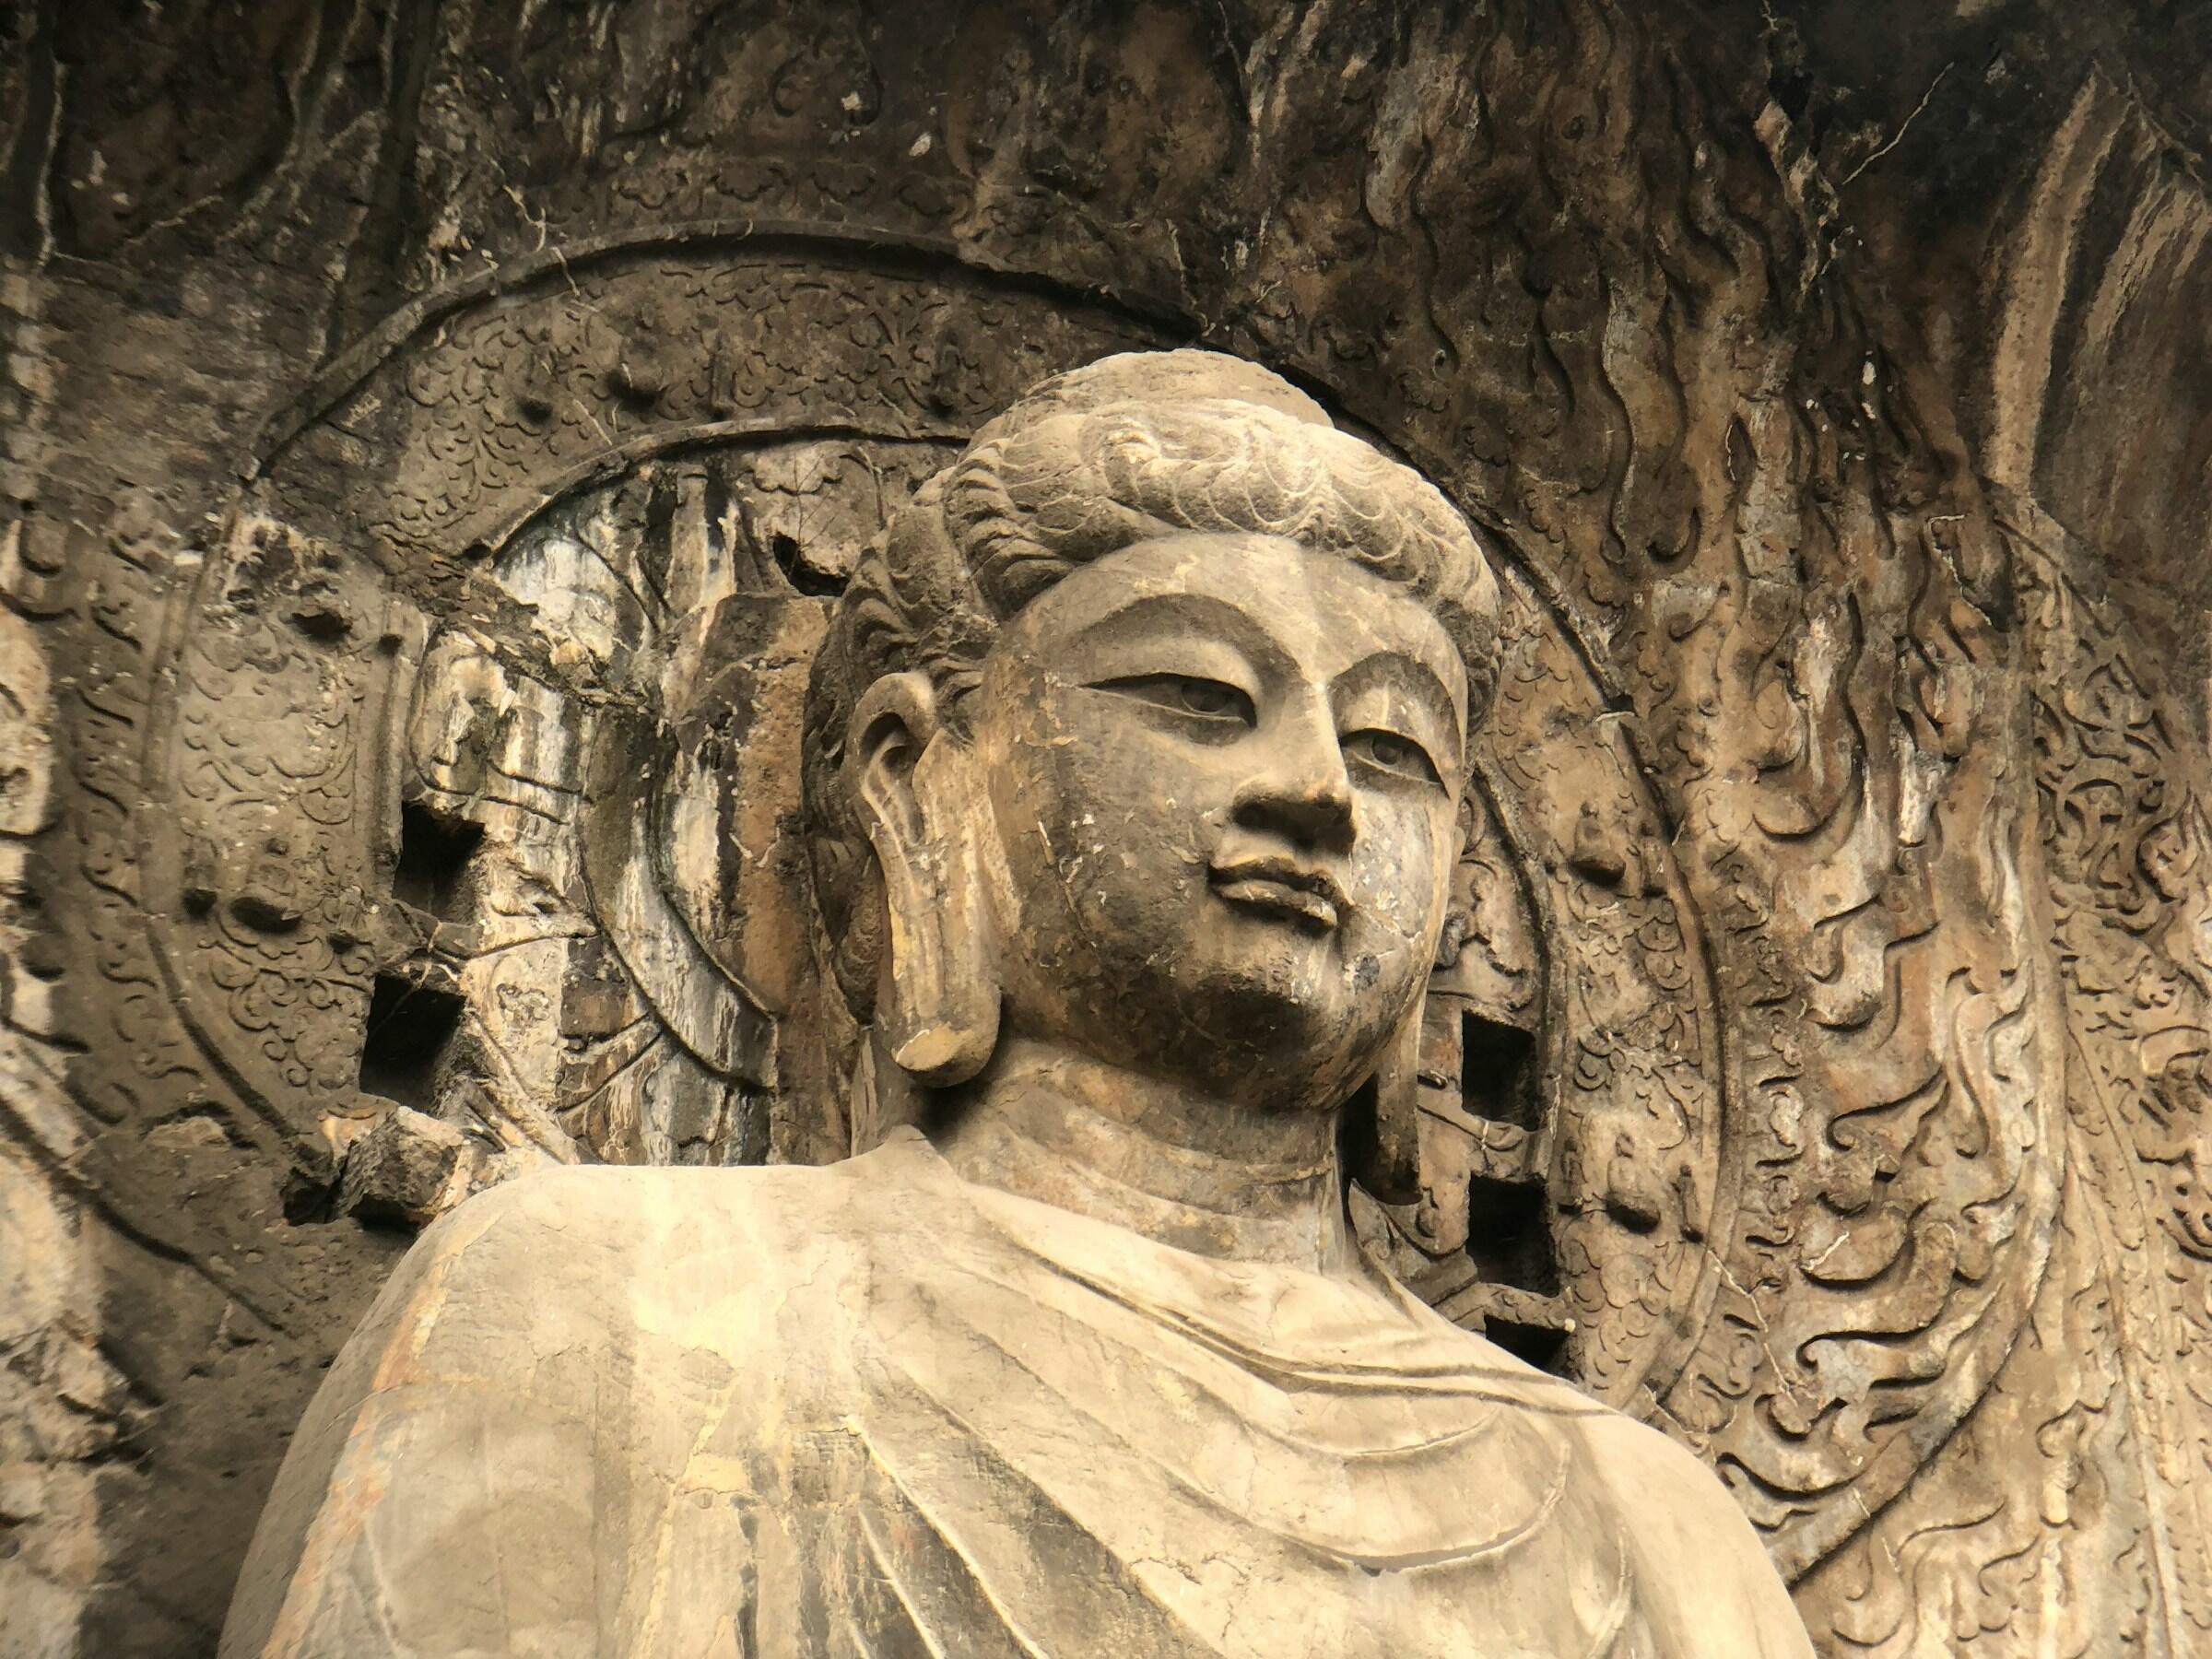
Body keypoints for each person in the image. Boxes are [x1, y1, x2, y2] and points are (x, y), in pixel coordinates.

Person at [220, 350, 1813, 1657]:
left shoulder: (1648, 1526)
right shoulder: (599, 1316)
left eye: (1397, 751)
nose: (1319, 791)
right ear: (923, 778)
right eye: (1197, 696)